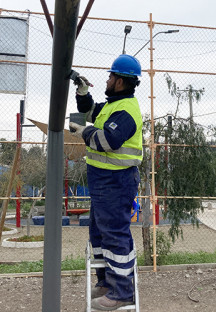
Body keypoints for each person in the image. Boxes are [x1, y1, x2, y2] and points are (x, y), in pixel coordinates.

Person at [69, 54, 143, 311]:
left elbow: (107, 141)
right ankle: (106, 283)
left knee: (114, 234)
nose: (108, 79)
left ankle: (122, 292)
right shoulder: (113, 105)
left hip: (116, 182)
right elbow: (90, 111)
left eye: (112, 76)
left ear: (121, 81)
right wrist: (82, 93)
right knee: (99, 232)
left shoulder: (126, 112)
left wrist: (84, 132)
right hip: (104, 182)